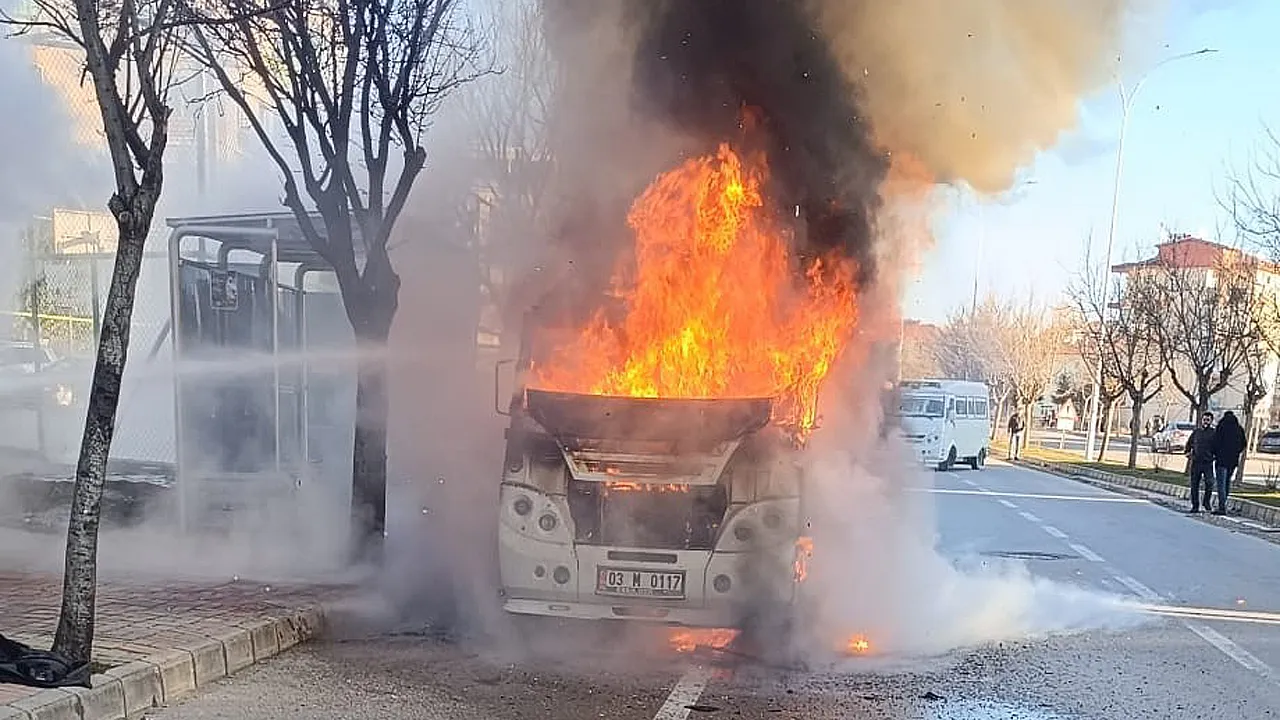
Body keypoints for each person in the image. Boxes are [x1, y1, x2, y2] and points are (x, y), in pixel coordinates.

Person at [1211, 410, 1247, 515]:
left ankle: (1222, 507)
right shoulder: (1239, 429)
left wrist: (1215, 453)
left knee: (1221, 484)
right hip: (1232, 460)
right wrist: (1236, 451)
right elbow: (1243, 443)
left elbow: (1215, 442)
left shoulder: (1221, 427)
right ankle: (1223, 503)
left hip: (1221, 460)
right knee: (1227, 483)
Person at [1185, 412, 1216, 513]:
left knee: (1209, 482)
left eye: (1208, 420)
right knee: (1194, 484)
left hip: (1208, 463)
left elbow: (1218, 447)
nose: (1205, 422)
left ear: (1211, 421)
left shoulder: (1214, 433)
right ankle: (1195, 505)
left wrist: (1215, 456)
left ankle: (1206, 502)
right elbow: (1189, 444)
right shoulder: (1196, 432)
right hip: (1196, 462)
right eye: (1204, 420)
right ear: (1201, 420)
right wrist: (1187, 452)